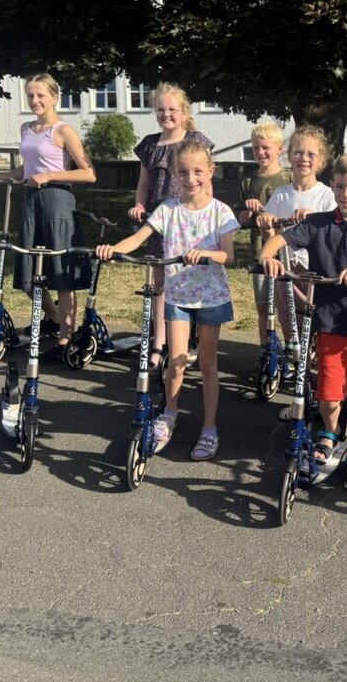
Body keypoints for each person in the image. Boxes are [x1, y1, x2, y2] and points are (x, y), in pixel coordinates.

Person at [259, 153, 347, 491]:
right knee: (329, 393)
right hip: (329, 323)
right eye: (339, 186)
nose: (346, 194)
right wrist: (267, 257)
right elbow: (282, 239)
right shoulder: (319, 222)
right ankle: (329, 434)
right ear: (332, 187)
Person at [98, 139, 239, 461]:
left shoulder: (220, 212)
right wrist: (112, 249)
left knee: (207, 364)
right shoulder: (168, 210)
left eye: (197, 172)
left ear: (210, 171)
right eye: (183, 172)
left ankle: (209, 428)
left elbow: (228, 256)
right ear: (175, 174)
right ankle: (170, 415)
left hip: (210, 297)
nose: (191, 179)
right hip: (177, 294)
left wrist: (206, 253)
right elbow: (138, 237)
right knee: (175, 361)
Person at [0, 74, 96, 358]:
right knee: (29, 273)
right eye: (30, 95)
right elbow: (25, 170)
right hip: (31, 204)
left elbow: (89, 173)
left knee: (61, 275)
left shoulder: (63, 130)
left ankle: (66, 340)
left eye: (41, 95)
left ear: (55, 97)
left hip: (58, 203)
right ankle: (53, 318)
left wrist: (50, 175)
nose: (35, 101)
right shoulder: (26, 128)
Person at [256, 125, 337, 419]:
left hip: (314, 273)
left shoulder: (326, 196)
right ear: (289, 156)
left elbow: (334, 232)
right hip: (286, 272)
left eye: (311, 154)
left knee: (316, 335)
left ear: (321, 160)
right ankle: (300, 395)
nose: (304, 158)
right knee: (295, 339)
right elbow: (270, 236)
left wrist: (314, 219)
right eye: (299, 152)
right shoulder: (281, 194)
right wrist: (266, 224)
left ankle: (321, 395)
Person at [129, 83, 215, 359]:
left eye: (171, 109)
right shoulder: (150, 145)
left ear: (184, 112)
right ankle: (159, 343)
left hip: (189, 219)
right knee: (160, 280)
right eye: (160, 109)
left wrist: (207, 215)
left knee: (188, 276)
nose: (166, 114)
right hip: (158, 218)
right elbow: (144, 183)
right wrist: (139, 205)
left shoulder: (196, 140)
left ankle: (188, 341)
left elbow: (206, 184)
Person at [235, 120, 290, 343]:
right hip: (260, 252)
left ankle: (293, 351)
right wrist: (248, 212)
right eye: (256, 148)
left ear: (279, 148)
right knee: (263, 306)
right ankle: (267, 351)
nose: (260, 152)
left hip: (287, 253)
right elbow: (240, 219)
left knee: (288, 307)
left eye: (265, 147)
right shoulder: (248, 181)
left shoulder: (289, 178)